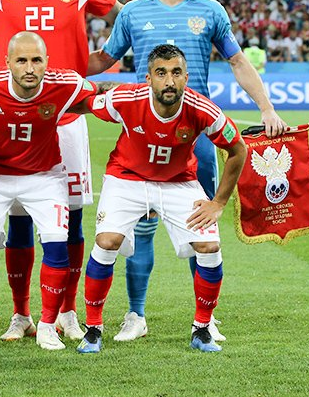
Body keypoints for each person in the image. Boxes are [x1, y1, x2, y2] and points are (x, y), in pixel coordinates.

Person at [88, 0, 287, 342]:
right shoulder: (133, 13)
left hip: (198, 137)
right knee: (141, 229)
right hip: (143, 136)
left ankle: (205, 320)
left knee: (203, 227)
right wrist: (49, 66)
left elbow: (238, 62)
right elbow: (104, 59)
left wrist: (266, 107)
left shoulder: (210, 10)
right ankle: (136, 315)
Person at [0, 0, 121, 341]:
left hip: (66, 116)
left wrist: (102, 60)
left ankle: (66, 311)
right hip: (13, 113)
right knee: (18, 220)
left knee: (70, 219)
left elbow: (122, 17)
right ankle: (21, 314)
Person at [75, 44, 247, 353]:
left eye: (176, 73)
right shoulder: (126, 99)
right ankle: (93, 329)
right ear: (149, 78)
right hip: (126, 178)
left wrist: (218, 202)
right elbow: (85, 103)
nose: (169, 81)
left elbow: (238, 149)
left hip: (178, 182)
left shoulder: (202, 110)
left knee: (209, 246)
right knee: (107, 241)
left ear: (186, 77)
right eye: (161, 73)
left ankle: (202, 328)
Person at [0, 32, 112, 352]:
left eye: (36, 60)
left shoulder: (66, 83)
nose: (29, 68)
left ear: (47, 62)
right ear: (7, 63)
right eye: (21, 60)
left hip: (44, 176)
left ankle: (47, 325)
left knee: (57, 242)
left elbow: (101, 91)